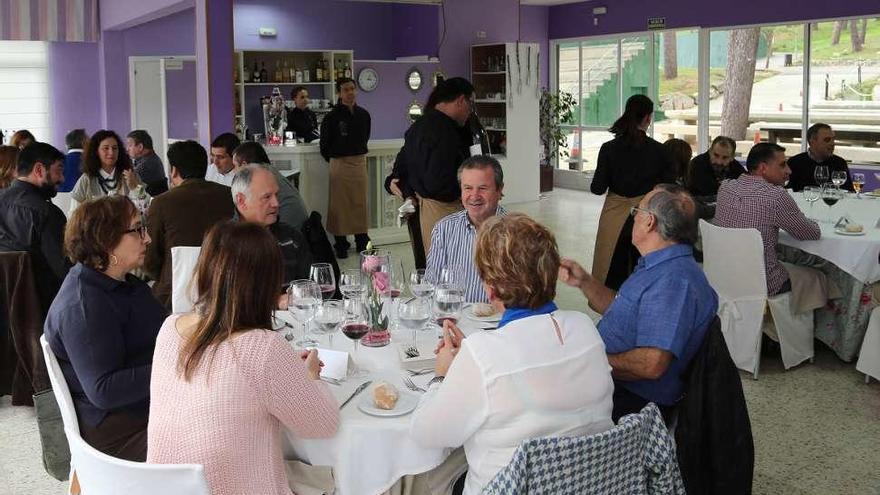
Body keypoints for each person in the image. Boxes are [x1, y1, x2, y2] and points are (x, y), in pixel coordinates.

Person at [411, 213, 614, 494]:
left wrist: (443, 375)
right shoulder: (585, 329)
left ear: (490, 289)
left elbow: (427, 433)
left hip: (510, 487)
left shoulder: (483, 353)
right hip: (588, 483)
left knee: (419, 478)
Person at [147, 221, 338, 495]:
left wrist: (283, 373)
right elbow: (322, 424)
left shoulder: (169, 330)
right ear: (268, 283)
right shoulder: (263, 348)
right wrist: (310, 377)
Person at [560, 184, 718, 422]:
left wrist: (592, 359)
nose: (633, 218)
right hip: (617, 385)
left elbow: (651, 365)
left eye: (637, 212)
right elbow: (624, 309)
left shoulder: (673, 282)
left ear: (649, 223)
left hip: (632, 404)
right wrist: (584, 281)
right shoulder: (657, 264)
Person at [44, 195, 166, 461]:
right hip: (118, 432)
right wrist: (175, 367)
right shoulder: (84, 305)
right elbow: (104, 389)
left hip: (143, 407)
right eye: (137, 230)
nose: (147, 239)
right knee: (219, 431)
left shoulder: (119, 283)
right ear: (106, 240)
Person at [590, 94, 676, 291]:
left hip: (614, 218)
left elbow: (597, 188)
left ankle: (611, 311)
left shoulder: (609, 149)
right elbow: (668, 186)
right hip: (647, 217)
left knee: (611, 268)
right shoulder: (659, 151)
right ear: (648, 118)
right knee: (643, 268)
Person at [714, 143, 821, 295]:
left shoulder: (725, 187)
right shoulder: (776, 196)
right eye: (783, 165)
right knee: (818, 276)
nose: (789, 171)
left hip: (723, 277)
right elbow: (811, 233)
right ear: (763, 168)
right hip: (763, 282)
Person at [144, 140, 235, 309]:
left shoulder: (162, 202)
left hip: (174, 295)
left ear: (174, 170)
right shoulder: (229, 195)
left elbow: (151, 259)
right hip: (225, 287)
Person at [398, 78, 474, 256]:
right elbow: (440, 183)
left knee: (430, 265)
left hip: (422, 212)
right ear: (461, 100)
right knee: (452, 269)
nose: (470, 112)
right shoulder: (447, 132)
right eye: (471, 105)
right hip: (446, 212)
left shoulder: (417, 127)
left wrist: (409, 192)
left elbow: (400, 170)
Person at [425, 155, 506, 303]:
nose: (474, 196)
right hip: (456, 318)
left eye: (482, 188)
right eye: (468, 188)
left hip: (501, 321)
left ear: (499, 190)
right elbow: (432, 286)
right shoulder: (444, 229)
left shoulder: (517, 233)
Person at [0, 142, 69, 300]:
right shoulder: (48, 213)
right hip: (39, 307)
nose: (62, 178)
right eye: (59, 170)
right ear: (39, 170)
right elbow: (65, 271)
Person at [232, 164, 312, 285]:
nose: (276, 203)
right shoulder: (223, 244)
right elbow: (217, 298)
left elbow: (310, 288)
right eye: (267, 197)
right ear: (241, 201)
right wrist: (276, 301)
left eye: (276, 195)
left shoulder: (291, 238)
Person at [320, 77, 372, 259]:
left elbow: (365, 138)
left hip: (358, 163)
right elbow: (324, 146)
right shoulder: (331, 117)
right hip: (339, 164)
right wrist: (337, 160)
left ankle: (362, 241)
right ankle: (341, 244)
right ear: (339, 93)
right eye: (345, 90)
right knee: (339, 207)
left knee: (359, 204)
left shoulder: (364, 115)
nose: (350, 93)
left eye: (352, 89)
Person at [232, 141, 309, 230]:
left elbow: (239, 220)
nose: (234, 171)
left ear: (245, 165)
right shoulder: (270, 173)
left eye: (235, 166)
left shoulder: (257, 181)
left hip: (284, 234)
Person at [70, 129, 142, 212]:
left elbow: (145, 209)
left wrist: (135, 187)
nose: (111, 152)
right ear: (96, 151)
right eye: (106, 148)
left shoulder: (131, 175)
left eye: (115, 148)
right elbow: (74, 214)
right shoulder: (86, 179)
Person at [786, 123, 853, 192]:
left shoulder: (839, 163)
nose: (832, 143)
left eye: (833, 139)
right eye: (827, 140)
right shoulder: (795, 163)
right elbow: (787, 192)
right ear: (813, 141)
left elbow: (850, 192)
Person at [126, 130, 169, 196]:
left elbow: (129, 184)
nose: (127, 149)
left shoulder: (147, 164)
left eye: (130, 145)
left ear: (140, 147)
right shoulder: (151, 157)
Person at [60, 128, 88, 193]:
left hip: (59, 200)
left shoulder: (58, 161)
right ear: (84, 143)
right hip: (85, 201)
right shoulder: (90, 161)